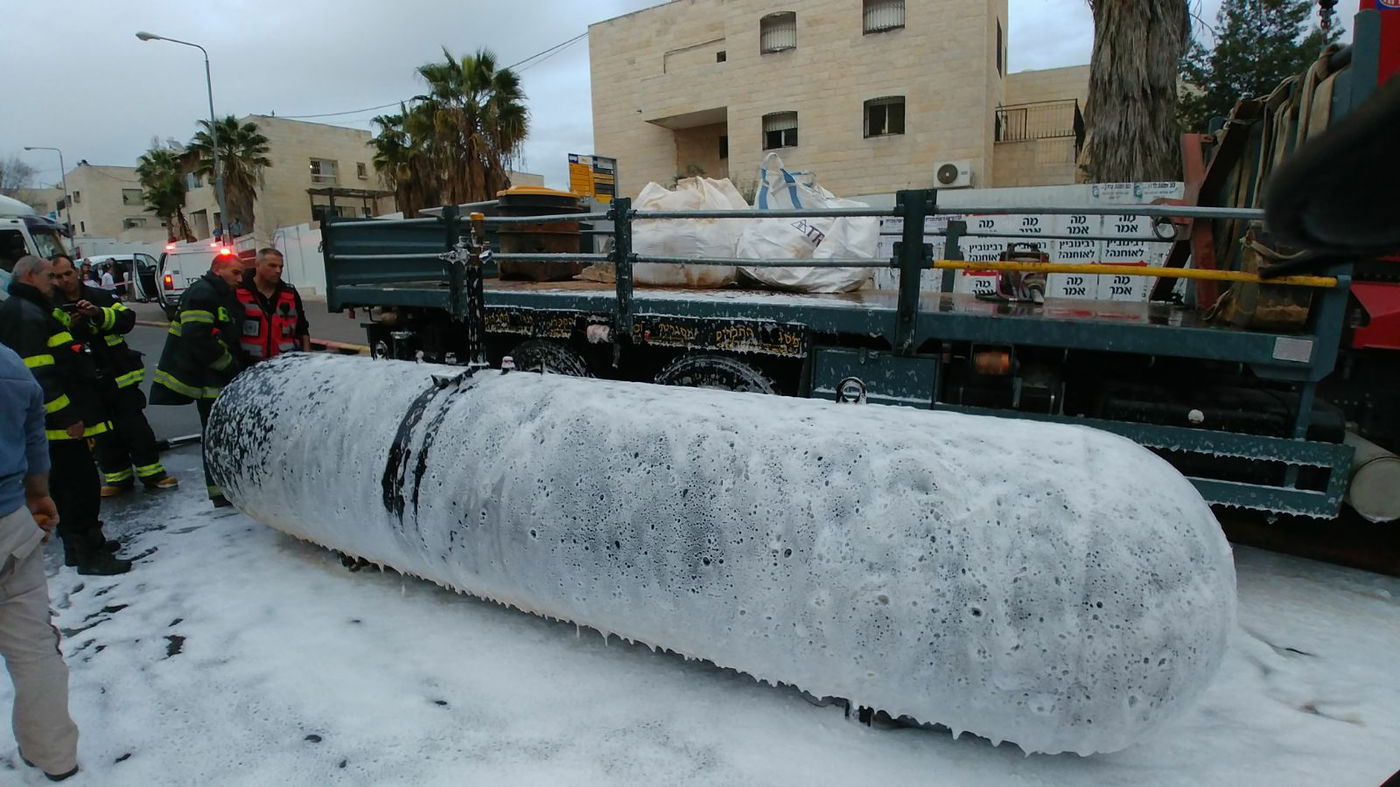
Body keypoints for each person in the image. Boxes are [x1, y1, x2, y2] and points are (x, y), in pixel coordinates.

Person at [0, 256, 130, 575]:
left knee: (73, 487)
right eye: (48, 276)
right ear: (30, 276)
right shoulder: (25, 314)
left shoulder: (32, 309)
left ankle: (81, 545)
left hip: (59, 422)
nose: (55, 282)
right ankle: (89, 553)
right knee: (78, 488)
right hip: (59, 427)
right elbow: (37, 376)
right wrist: (67, 416)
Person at [0, 342, 81, 782]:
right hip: (10, 520)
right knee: (32, 645)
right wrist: (36, 494)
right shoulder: (9, 363)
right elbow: (34, 434)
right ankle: (55, 755)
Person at [49, 255, 179, 496]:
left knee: (135, 427)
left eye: (67, 274)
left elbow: (126, 320)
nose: (63, 280)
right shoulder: (51, 307)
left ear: (76, 272)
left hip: (118, 378)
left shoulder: (100, 296)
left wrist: (98, 314)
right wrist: (71, 324)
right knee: (102, 434)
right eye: (56, 276)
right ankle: (117, 478)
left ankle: (153, 474)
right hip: (85, 383)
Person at [151, 251, 246, 507]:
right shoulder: (203, 293)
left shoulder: (219, 293)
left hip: (217, 378)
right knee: (216, 434)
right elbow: (197, 337)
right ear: (217, 269)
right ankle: (220, 493)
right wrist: (229, 365)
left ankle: (226, 489)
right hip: (210, 379)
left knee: (224, 434)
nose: (240, 278)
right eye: (235, 272)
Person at [235, 248, 310, 363]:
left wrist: (306, 360)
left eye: (281, 267)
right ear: (257, 265)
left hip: (286, 364)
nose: (278, 270)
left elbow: (302, 330)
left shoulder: (290, 293)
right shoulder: (238, 291)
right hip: (249, 366)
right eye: (272, 265)